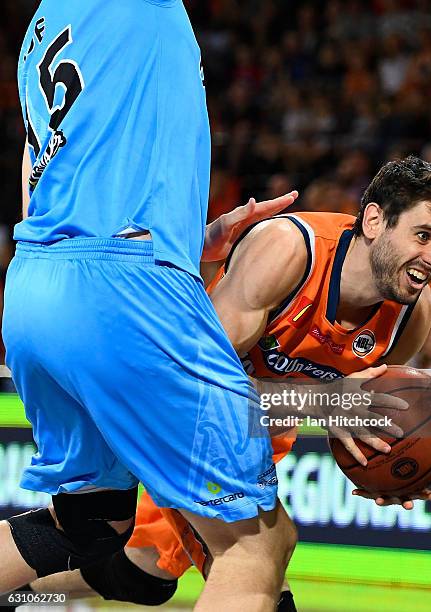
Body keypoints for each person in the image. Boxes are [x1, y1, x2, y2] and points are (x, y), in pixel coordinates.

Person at [13, 156, 431, 609]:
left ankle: (18, 594)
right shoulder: (289, 252)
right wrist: (321, 404)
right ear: (374, 220)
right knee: (259, 557)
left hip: (250, 433)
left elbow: (347, 413)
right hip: (167, 403)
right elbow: (192, 389)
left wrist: (384, 465)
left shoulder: (412, 316)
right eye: (423, 235)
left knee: (140, 570)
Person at [0, 2, 301, 610]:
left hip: (36, 282)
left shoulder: (41, 24)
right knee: (254, 544)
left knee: (89, 524)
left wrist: (183, 242)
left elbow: (59, 184)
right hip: (125, 288)